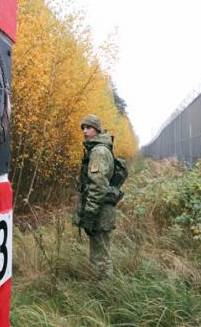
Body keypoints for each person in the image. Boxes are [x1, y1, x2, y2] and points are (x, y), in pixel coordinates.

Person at [74, 114, 117, 278]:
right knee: (99, 252)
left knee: (101, 257)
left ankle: (105, 294)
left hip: (99, 210)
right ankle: (100, 288)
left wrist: (90, 214)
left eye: (89, 127)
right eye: (83, 128)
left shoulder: (99, 151)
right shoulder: (98, 148)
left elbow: (98, 186)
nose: (85, 131)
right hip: (101, 208)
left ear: (97, 130)